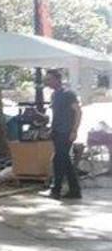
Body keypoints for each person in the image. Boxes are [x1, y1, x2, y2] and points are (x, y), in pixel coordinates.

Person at [44, 69, 82, 199]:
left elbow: (78, 112)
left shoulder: (68, 94)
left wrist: (74, 130)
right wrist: (52, 129)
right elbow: (56, 114)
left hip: (66, 132)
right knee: (65, 161)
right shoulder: (54, 95)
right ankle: (75, 190)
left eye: (49, 79)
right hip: (57, 131)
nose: (47, 82)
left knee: (59, 160)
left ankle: (56, 190)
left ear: (57, 79)